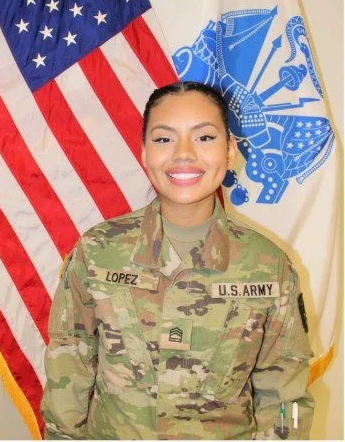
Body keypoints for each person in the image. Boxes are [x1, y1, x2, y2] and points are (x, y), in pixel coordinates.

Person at [41, 81, 314, 440]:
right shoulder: (97, 252)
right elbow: (68, 377)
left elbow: (285, 398)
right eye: (164, 139)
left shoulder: (268, 265)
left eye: (204, 138)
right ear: (143, 153)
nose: (183, 154)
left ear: (230, 151)